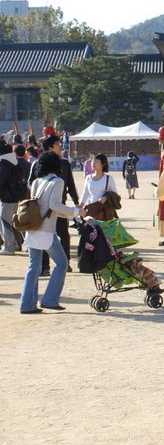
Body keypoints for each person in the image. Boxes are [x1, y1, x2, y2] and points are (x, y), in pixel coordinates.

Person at [18, 151, 82, 313]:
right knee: (62, 263)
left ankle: (27, 304)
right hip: (46, 230)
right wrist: (76, 212)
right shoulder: (58, 181)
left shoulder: (38, 181)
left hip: (32, 228)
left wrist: (73, 213)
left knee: (34, 266)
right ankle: (50, 299)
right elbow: (54, 206)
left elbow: (47, 207)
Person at [29, 133, 80, 273]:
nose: (60, 146)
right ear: (50, 147)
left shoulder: (64, 163)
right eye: (57, 144)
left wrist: (76, 200)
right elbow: (30, 183)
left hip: (60, 206)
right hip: (42, 209)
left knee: (64, 234)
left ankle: (66, 263)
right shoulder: (37, 163)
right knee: (43, 236)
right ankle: (45, 267)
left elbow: (70, 183)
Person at [0, 139, 23, 255]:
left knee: (5, 222)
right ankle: (12, 244)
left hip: (7, 197)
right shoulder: (12, 162)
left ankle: (9, 247)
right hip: (13, 196)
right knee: (8, 222)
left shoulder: (4, 164)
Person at [80, 153, 119, 218]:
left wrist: (106, 198)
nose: (93, 163)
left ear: (103, 164)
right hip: (91, 210)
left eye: (96, 161)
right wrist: (80, 206)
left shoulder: (108, 178)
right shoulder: (88, 178)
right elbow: (85, 193)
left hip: (104, 212)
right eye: (93, 161)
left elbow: (115, 195)